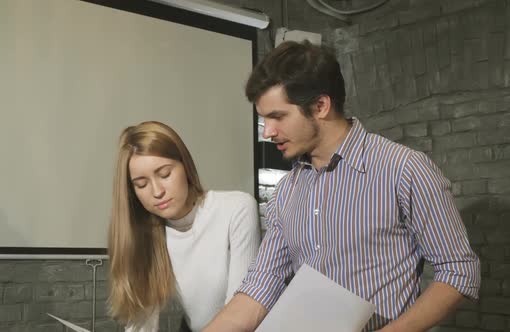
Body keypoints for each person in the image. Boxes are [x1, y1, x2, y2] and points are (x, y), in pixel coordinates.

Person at [203, 40, 480, 332]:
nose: (268, 132)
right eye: (264, 120)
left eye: (278, 117)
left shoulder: (404, 169)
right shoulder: (286, 191)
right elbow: (261, 285)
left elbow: (459, 271)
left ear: (320, 106)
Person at [107, 121, 261, 332]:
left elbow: (241, 315)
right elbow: (141, 325)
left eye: (164, 174)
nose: (157, 191)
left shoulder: (237, 209)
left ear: (185, 166)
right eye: (141, 184)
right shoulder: (147, 235)